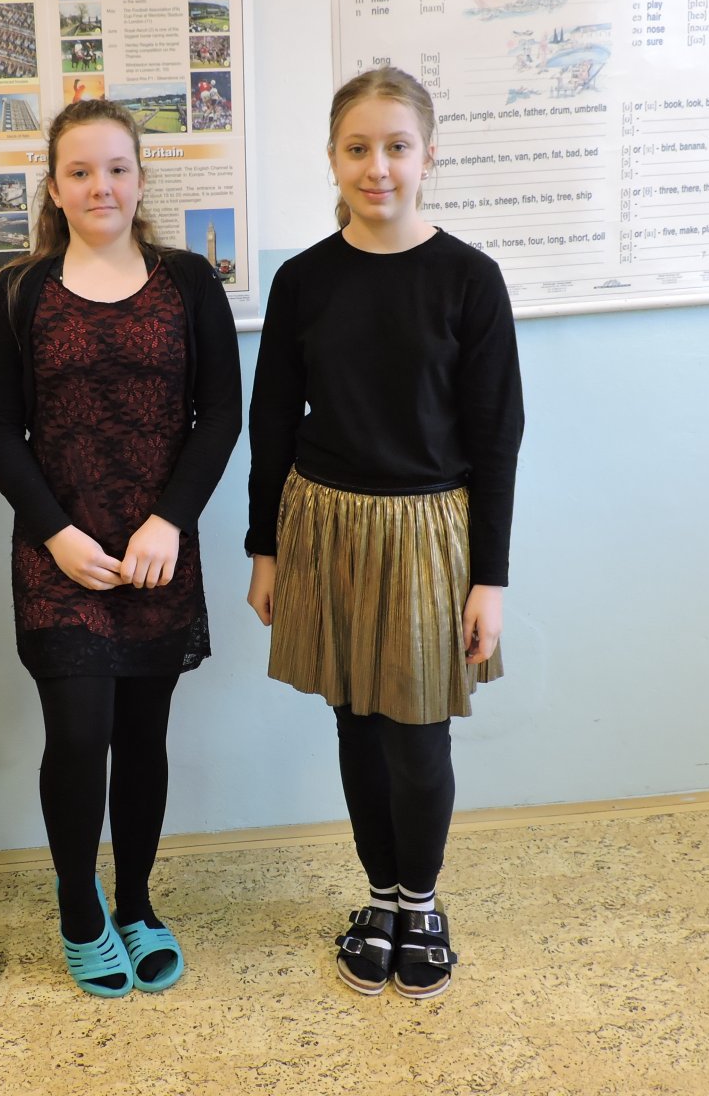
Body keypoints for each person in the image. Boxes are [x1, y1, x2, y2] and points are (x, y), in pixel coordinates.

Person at [245, 66, 524, 1001]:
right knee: (355, 724)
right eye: (358, 148)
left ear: (428, 156)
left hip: (430, 532)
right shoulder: (303, 281)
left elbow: (497, 435)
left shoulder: (469, 279)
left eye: (397, 147)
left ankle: (421, 901)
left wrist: (490, 578)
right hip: (324, 522)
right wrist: (263, 549)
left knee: (417, 735)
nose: (378, 167)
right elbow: (272, 422)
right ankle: (378, 897)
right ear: (332, 157)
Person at [0, 99, 240, 996]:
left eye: (117, 168)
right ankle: (79, 906)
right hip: (60, 554)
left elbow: (221, 415)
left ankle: (135, 903)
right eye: (80, 171)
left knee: (142, 735)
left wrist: (172, 519)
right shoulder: (20, 291)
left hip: (157, 551)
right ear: (54, 187)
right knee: (79, 733)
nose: (101, 186)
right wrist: (55, 533)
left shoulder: (189, 282)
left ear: (140, 178)